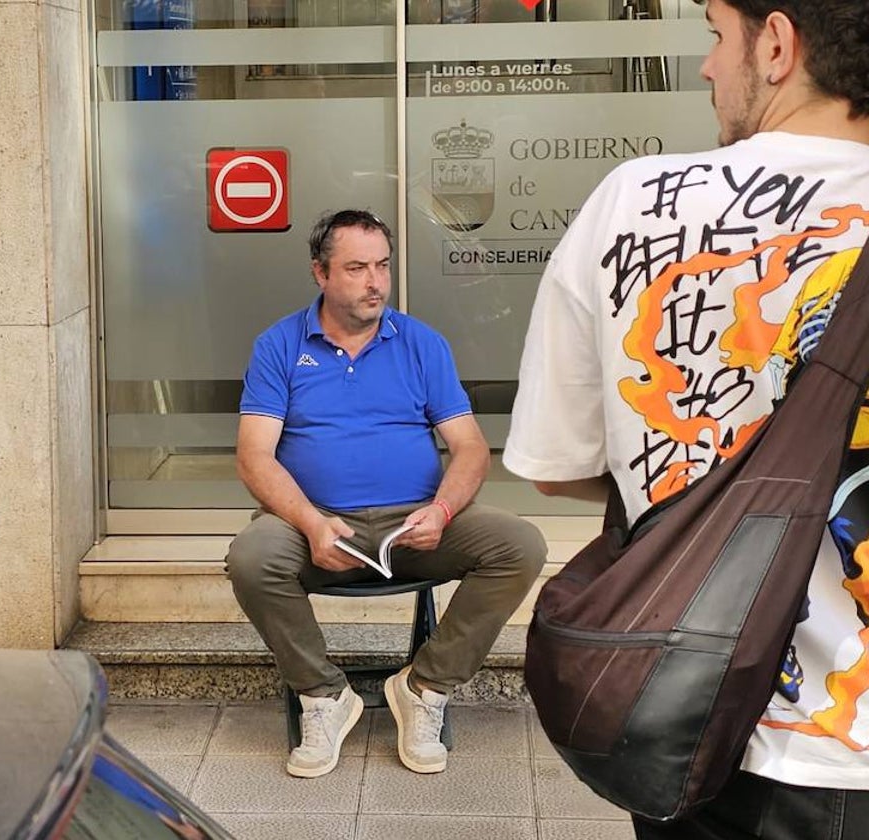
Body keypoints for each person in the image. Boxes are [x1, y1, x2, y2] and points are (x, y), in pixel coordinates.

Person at [504, 0, 869, 836]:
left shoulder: (636, 201)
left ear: (777, 43)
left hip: (706, 722)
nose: (706, 66)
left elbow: (554, 462)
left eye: (714, 33)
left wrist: (689, 462)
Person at [226, 208, 546, 778]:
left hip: (414, 525)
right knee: (251, 556)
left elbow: (469, 448)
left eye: (382, 266)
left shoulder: (421, 343)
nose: (375, 282)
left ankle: (424, 686)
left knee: (518, 543)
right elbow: (254, 456)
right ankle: (324, 695)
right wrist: (309, 522)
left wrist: (443, 510)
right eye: (356, 268)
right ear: (320, 274)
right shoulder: (278, 346)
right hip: (318, 527)